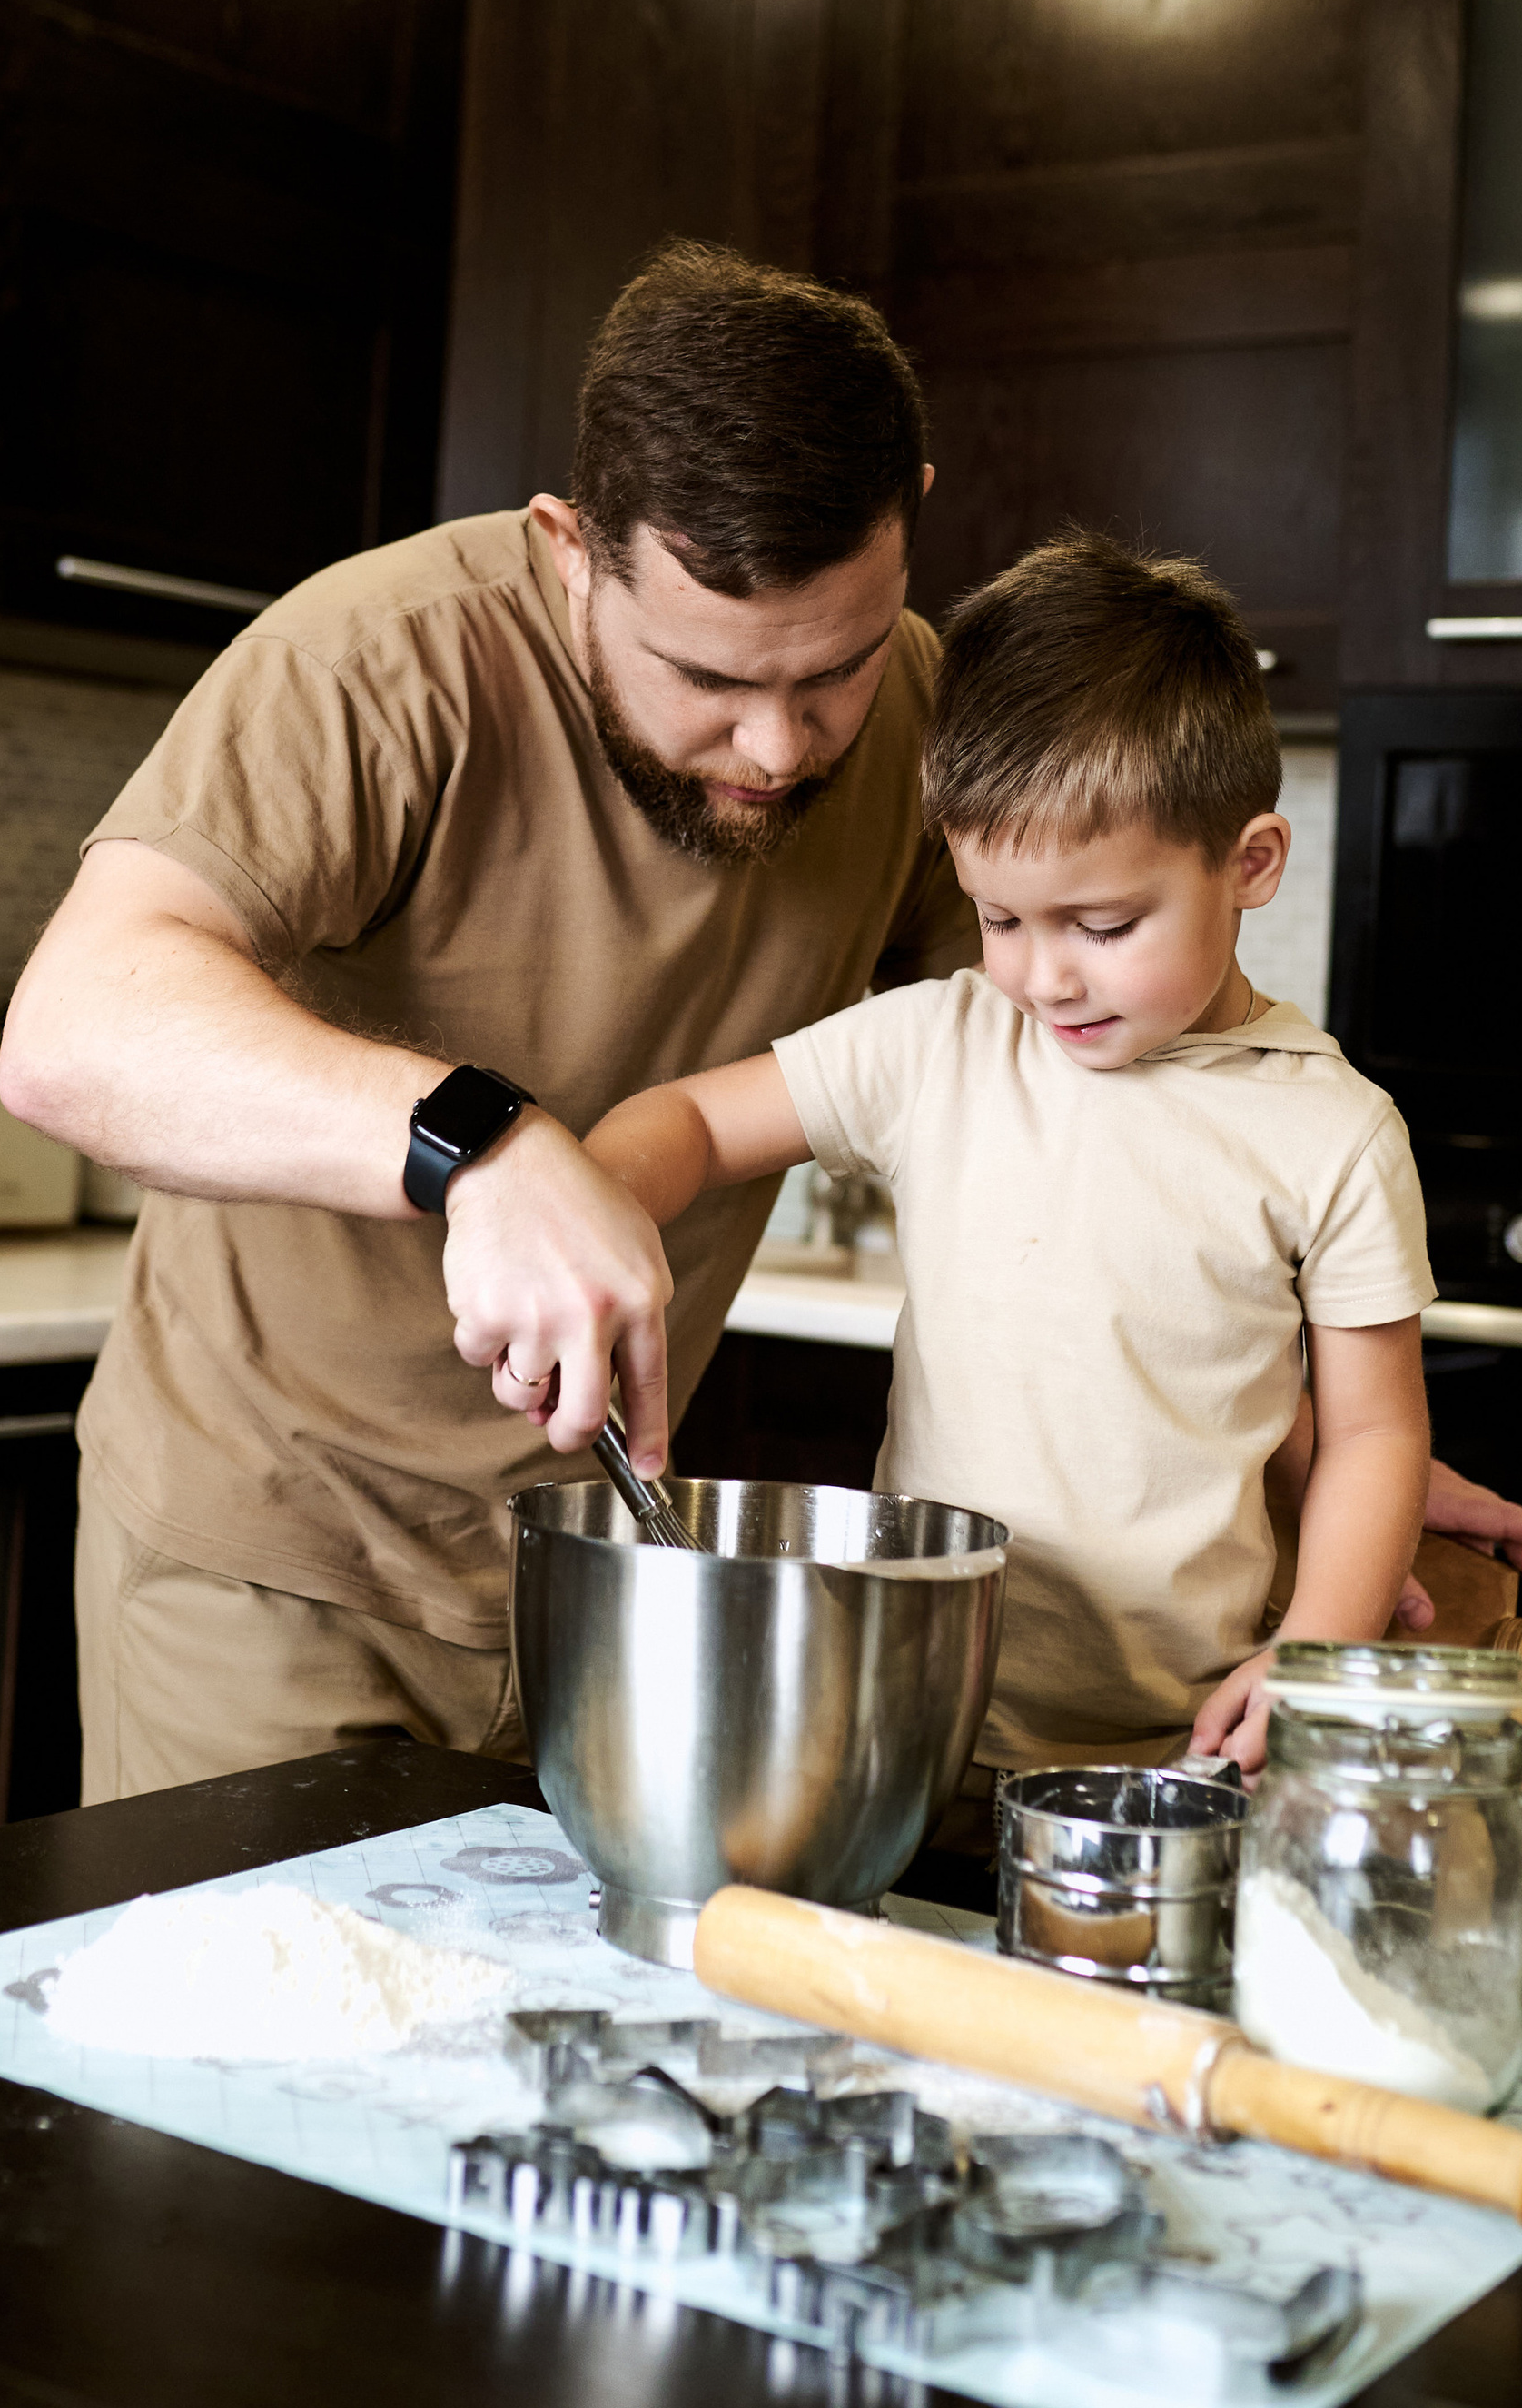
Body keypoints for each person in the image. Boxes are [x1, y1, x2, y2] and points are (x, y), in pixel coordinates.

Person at [2, 252, 1522, 1800]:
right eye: (706, 676)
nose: (776, 743)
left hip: (623, 1573)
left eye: (828, 670)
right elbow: (76, 1028)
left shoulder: (920, 720)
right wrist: (478, 1145)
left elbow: (1121, 1108)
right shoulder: (376, 664)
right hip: (285, 1557)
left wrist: (1296, 1442)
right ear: (572, 550)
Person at [583, 534, 1458, 1784]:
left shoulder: (1333, 1134)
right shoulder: (947, 1041)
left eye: (1104, 925)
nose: (1044, 974)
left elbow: (1375, 1437)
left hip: (1187, 1755)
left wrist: (1318, 1648)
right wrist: (590, 1212)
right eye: (1001, 918)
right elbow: (694, 1122)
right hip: (917, 1718)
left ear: (1250, 865)